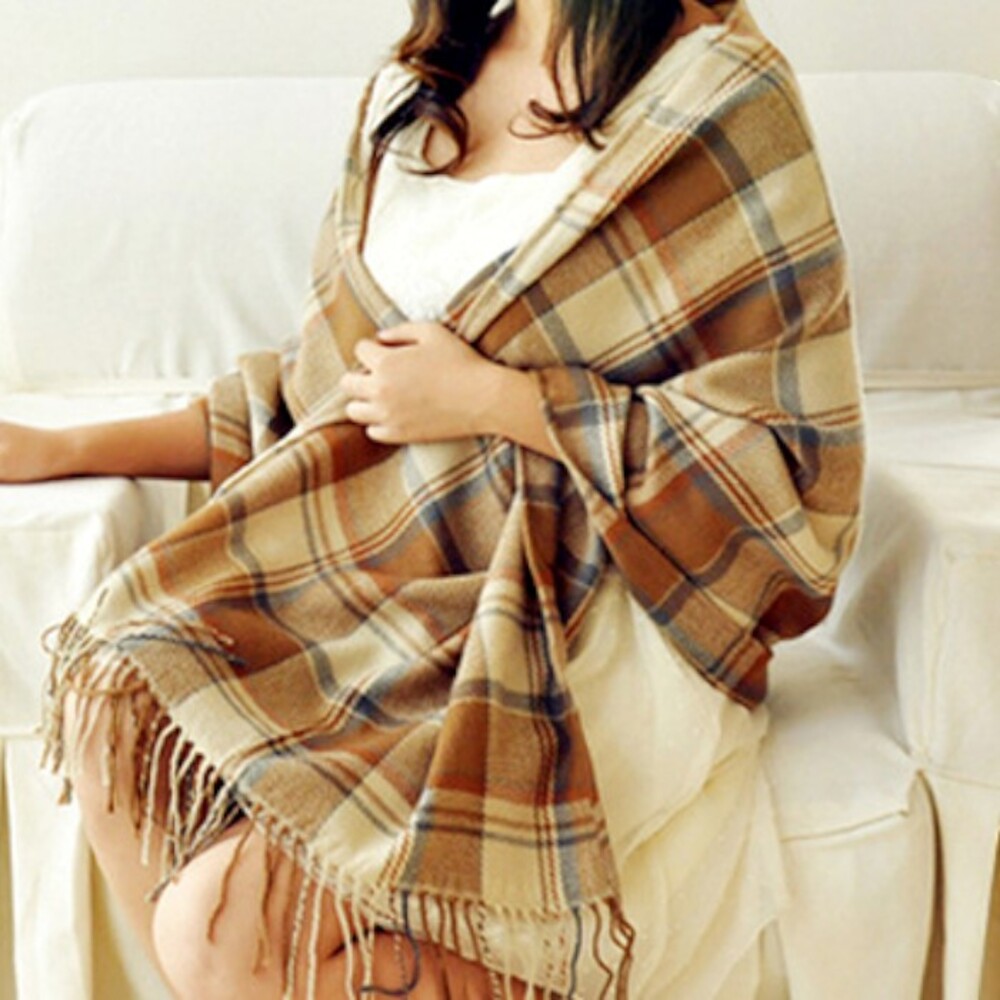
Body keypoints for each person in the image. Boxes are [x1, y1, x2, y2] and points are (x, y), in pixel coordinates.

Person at [1, 0, 864, 996]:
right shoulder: (411, 94)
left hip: (575, 609)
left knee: (219, 927)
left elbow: (792, 460)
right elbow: (318, 399)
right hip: (373, 576)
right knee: (116, 702)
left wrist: (501, 402)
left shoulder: (718, 97)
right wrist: (65, 447)